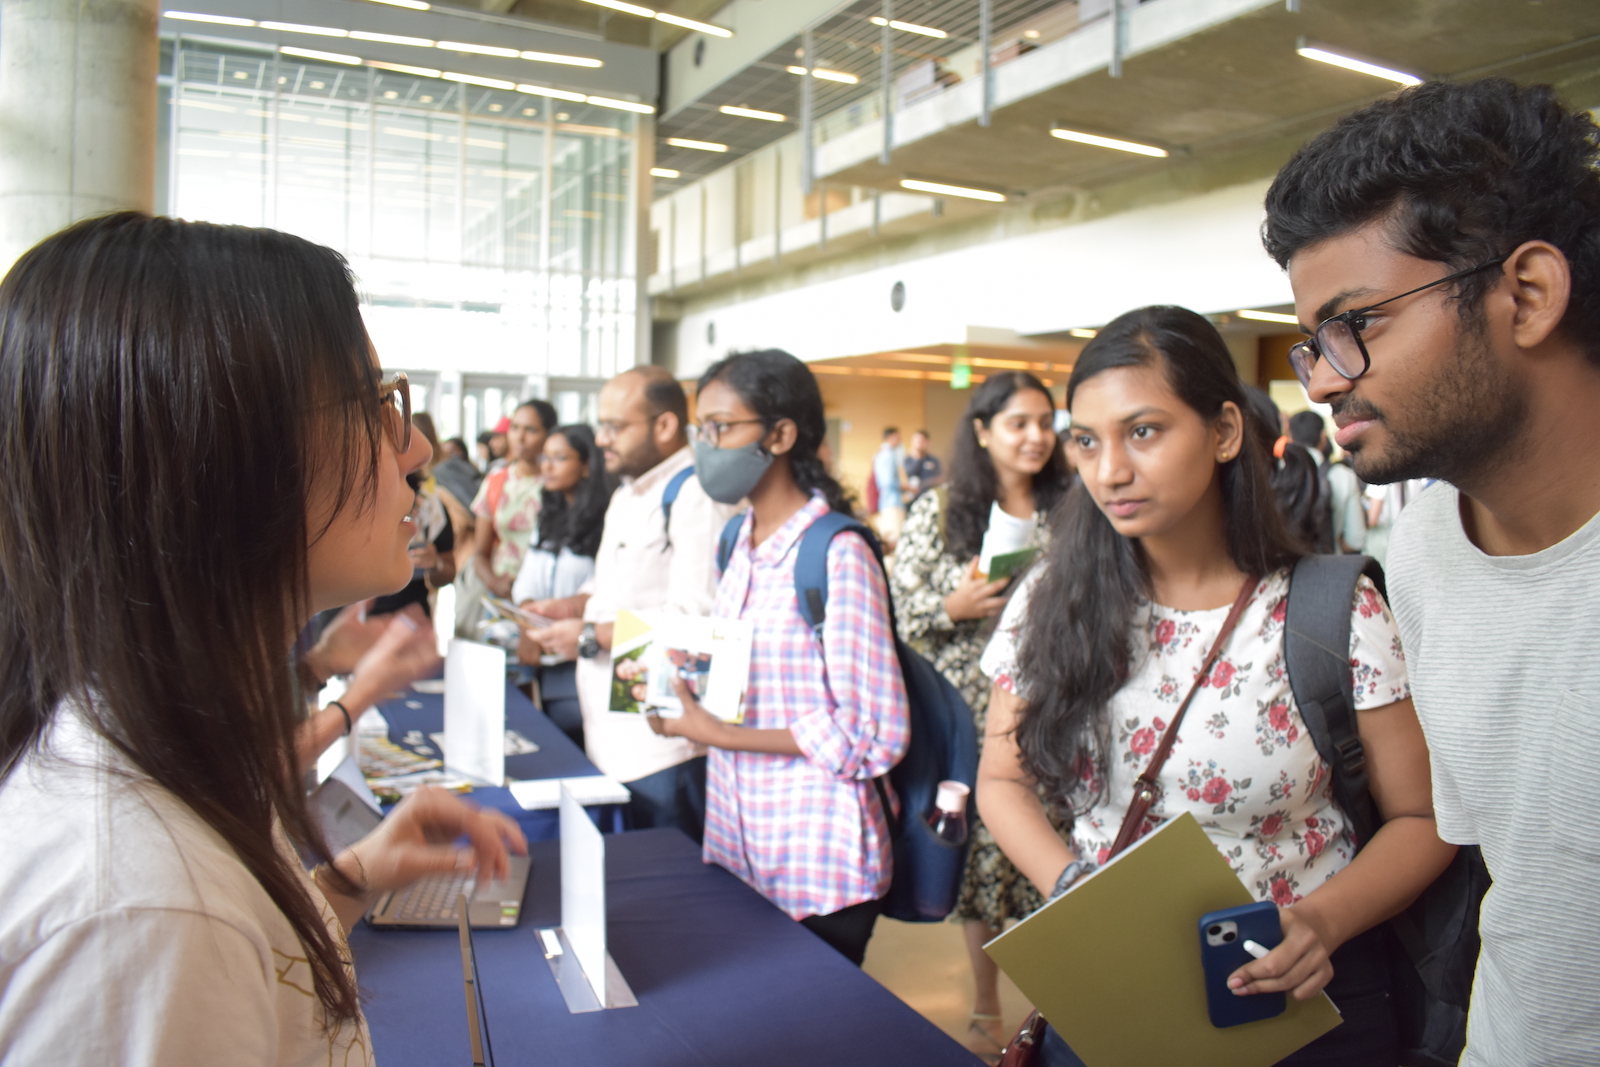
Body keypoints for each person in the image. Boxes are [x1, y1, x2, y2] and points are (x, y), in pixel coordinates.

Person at [0, 213, 524, 1064]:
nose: (417, 444)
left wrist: (351, 880)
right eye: (376, 404)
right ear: (219, 455)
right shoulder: (141, 906)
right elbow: (187, 933)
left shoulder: (160, 766)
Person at [976, 305, 1454, 1067]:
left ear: (1225, 431)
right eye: (1087, 441)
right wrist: (1073, 886)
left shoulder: (1329, 610)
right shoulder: (1050, 600)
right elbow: (1000, 778)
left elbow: (1425, 817)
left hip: (1295, 1004)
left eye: (1144, 431)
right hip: (1115, 993)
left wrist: (1321, 920)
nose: (1110, 472)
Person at [1262, 78, 1600, 1067]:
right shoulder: (1418, 553)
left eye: (1355, 321)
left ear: (1526, 293)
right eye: (1311, 345)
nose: (1324, 378)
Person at [647, 349, 910, 966]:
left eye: (720, 428)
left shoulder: (838, 554)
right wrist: (685, 679)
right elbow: (756, 670)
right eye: (699, 430)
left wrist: (719, 735)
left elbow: (873, 731)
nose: (705, 446)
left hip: (817, 860)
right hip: (743, 843)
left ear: (781, 434)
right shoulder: (737, 538)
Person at [887, 372, 1071, 1060]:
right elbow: (901, 607)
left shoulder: (1075, 503)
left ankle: (1062, 999)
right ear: (983, 430)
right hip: (971, 712)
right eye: (1018, 422)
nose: (1035, 436)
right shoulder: (940, 509)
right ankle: (987, 1000)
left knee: (1062, 855)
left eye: (1044, 422)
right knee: (985, 861)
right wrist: (952, 606)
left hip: (1061, 707)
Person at [522, 367, 735, 842]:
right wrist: (571, 606)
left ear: (664, 426)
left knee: (669, 882)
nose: (601, 439)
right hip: (612, 733)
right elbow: (614, 591)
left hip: (664, 742)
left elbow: (697, 623)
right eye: (600, 425)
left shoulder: (696, 493)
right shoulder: (628, 494)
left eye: (615, 426)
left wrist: (586, 635)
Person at [510, 424, 616, 748]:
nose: (548, 466)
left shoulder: (609, 516)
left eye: (560, 458)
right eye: (545, 457)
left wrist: (564, 609)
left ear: (586, 465)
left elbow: (603, 586)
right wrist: (530, 619)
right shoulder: (549, 516)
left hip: (586, 653)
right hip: (543, 651)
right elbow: (526, 578)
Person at [469, 399, 555, 603]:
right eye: (514, 428)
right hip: (504, 595)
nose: (520, 437)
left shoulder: (556, 483)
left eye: (531, 430)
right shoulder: (496, 481)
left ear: (549, 435)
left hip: (547, 597)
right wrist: (495, 583)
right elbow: (480, 553)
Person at [1288, 411, 1365, 554]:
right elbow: (1356, 540)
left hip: (1287, 569)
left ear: (1291, 437)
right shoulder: (1344, 475)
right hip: (1329, 568)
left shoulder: (1280, 471)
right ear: (1323, 437)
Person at [873, 426, 906, 547]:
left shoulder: (880, 453)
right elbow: (887, 482)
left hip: (886, 503)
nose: (900, 440)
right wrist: (905, 487)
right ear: (890, 437)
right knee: (894, 541)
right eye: (897, 437)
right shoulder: (888, 454)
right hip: (892, 502)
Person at [903, 428, 944, 502]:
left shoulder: (933, 460)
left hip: (929, 498)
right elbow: (905, 478)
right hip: (911, 500)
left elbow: (939, 478)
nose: (919, 443)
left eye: (921, 441)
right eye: (916, 441)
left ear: (927, 442)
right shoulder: (906, 460)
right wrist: (917, 458)